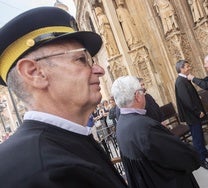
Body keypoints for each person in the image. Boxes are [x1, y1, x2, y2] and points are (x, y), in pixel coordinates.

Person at [0, 7, 127, 188]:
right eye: (81, 60)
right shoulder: (42, 171)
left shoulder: (63, 142)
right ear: (35, 73)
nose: (99, 70)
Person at [111, 75, 201, 188]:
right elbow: (185, 157)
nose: (144, 93)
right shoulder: (145, 127)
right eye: (142, 91)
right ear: (137, 96)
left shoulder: (121, 124)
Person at [175, 60, 208, 170]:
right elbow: (186, 100)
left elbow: (189, 95)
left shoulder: (184, 79)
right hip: (192, 115)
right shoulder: (180, 81)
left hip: (193, 113)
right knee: (197, 138)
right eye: (187, 66)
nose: (189, 68)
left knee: (199, 135)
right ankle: (201, 160)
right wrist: (197, 111)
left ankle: (204, 153)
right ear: (182, 69)